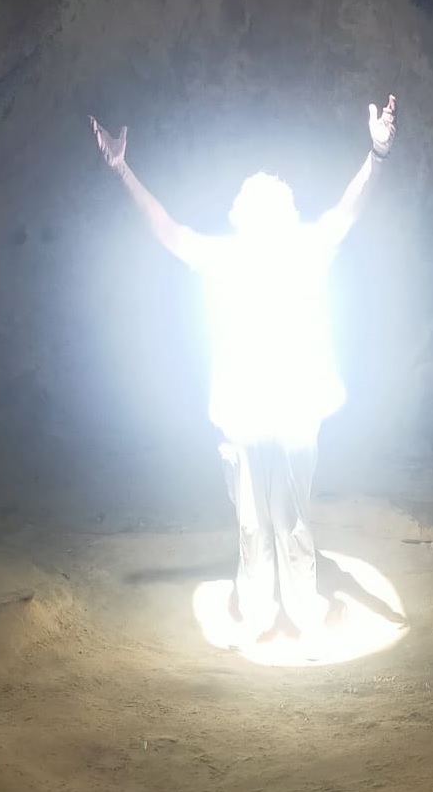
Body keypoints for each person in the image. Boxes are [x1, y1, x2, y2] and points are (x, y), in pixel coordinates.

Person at [89, 95, 397, 649]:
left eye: (272, 202)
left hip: (295, 405)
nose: (264, 211)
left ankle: (302, 612)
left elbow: (347, 212)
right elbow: (168, 231)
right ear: (242, 214)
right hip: (244, 409)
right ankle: (258, 612)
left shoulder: (304, 250)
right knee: (253, 521)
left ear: (286, 212)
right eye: (256, 203)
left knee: (291, 516)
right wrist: (122, 170)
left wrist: (377, 154)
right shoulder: (227, 259)